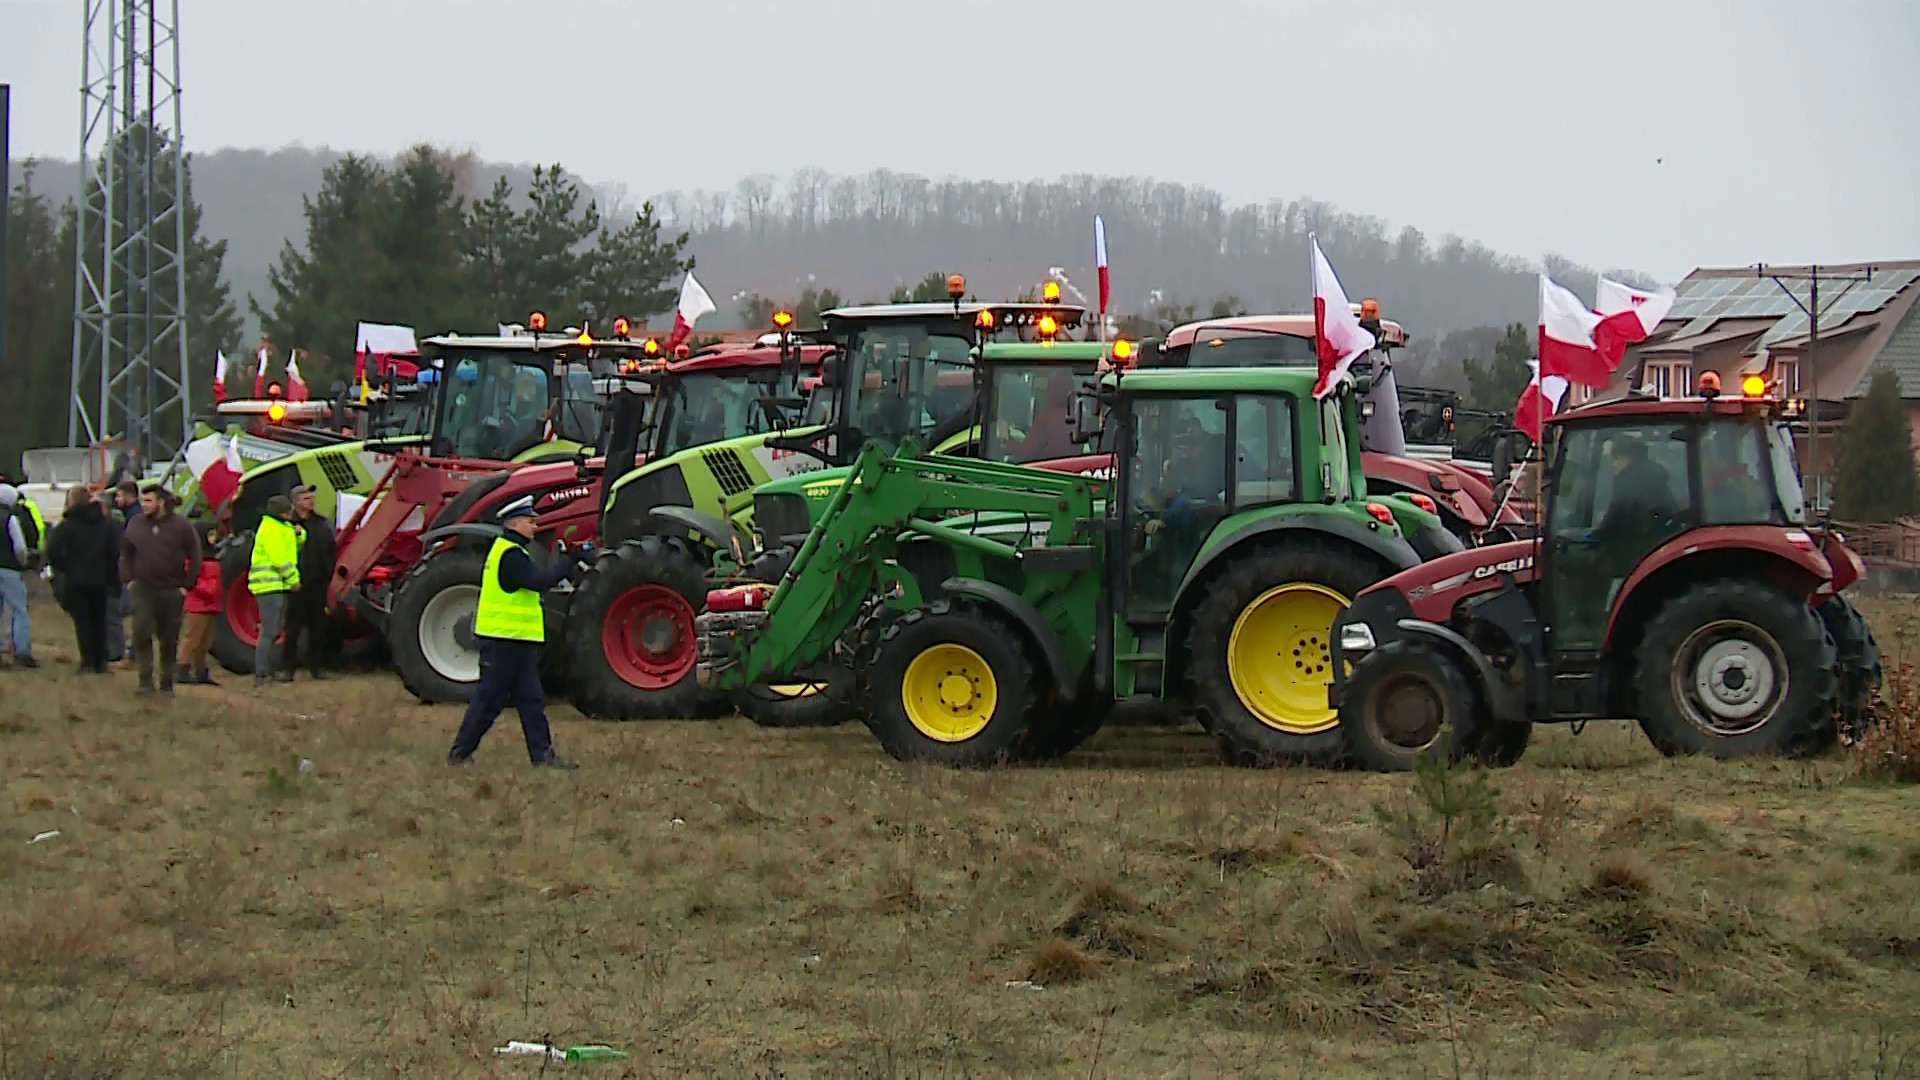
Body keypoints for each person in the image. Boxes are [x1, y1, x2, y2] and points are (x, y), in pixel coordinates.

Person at [447, 500, 584, 769]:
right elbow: (540, 582)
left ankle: (543, 757)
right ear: (515, 524)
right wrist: (571, 561)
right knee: (489, 702)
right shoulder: (511, 555)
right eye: (530, 521)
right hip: (502, 641)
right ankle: (460, 753)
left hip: (517, 640)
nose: (535, 526)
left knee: (532, 700)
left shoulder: (512, 551)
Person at [119, 486, 201, 695]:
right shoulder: (135, 525)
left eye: (148, 501)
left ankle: (166, 682)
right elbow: (126, 553)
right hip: (143, 590)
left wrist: (186, 586)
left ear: (161, 502)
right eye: (143, 501)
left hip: (171, 591)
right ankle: (145, 681)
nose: (144, 505)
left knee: (169, 638)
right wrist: (129, 580)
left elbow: (196, 555)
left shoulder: (181, 526)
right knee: (141, 633)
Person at [47, 486, 120, 675]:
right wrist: (112, 576)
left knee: (83, 622)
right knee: (99, 620)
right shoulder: (106, 524)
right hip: (100, 579)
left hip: (76, 579)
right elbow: (114, 552)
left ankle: (87, 661)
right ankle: (101, 661)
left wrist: (65, 567)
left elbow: (52, 550)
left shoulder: (68, 524)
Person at [248, 494, 303, 685]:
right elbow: (281, 559)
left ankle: (266, 669)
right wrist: (293, 580)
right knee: (269, 630)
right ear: (282, 512)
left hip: (277, 585)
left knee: (275, 629)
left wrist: (299, 534)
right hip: (268, 586)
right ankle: (262, 673)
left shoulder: (282, 528)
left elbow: (295, 546)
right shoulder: (271, 529)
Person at [283, 485, 336, 679]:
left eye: (312, 497)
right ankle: (288, 668)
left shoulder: (321, 524)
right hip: (295, 583)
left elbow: (331, 550)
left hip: (317, 583)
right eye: (306, 498)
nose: (311, 501)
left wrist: (328, 575)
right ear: (296, 502)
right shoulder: (286, 524)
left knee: (318, 626)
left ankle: (317, 667)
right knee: (293, 627)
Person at [175, 523, 224, 685]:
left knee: (205, 641)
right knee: (192, 638)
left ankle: (201, 671)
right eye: (210, 535)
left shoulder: (213, 555)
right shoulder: (194, 556)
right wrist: (208, 589)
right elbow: (190, 578)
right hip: (198, 603)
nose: (213, 538)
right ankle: (182, 668)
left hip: (211, 604)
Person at [0, 483, 41, 668]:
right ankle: (22, 652)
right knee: (19, 610)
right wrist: (23, 562)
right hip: (9, 569)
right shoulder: (10, 519)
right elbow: (19, 547)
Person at [105, 479, 140, 664]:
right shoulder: (131, 516)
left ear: (130, 496)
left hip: (135, 572)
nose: (117, 499)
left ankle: (133, 654)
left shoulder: (134, 518)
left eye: (119, 495)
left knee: (132, 611)